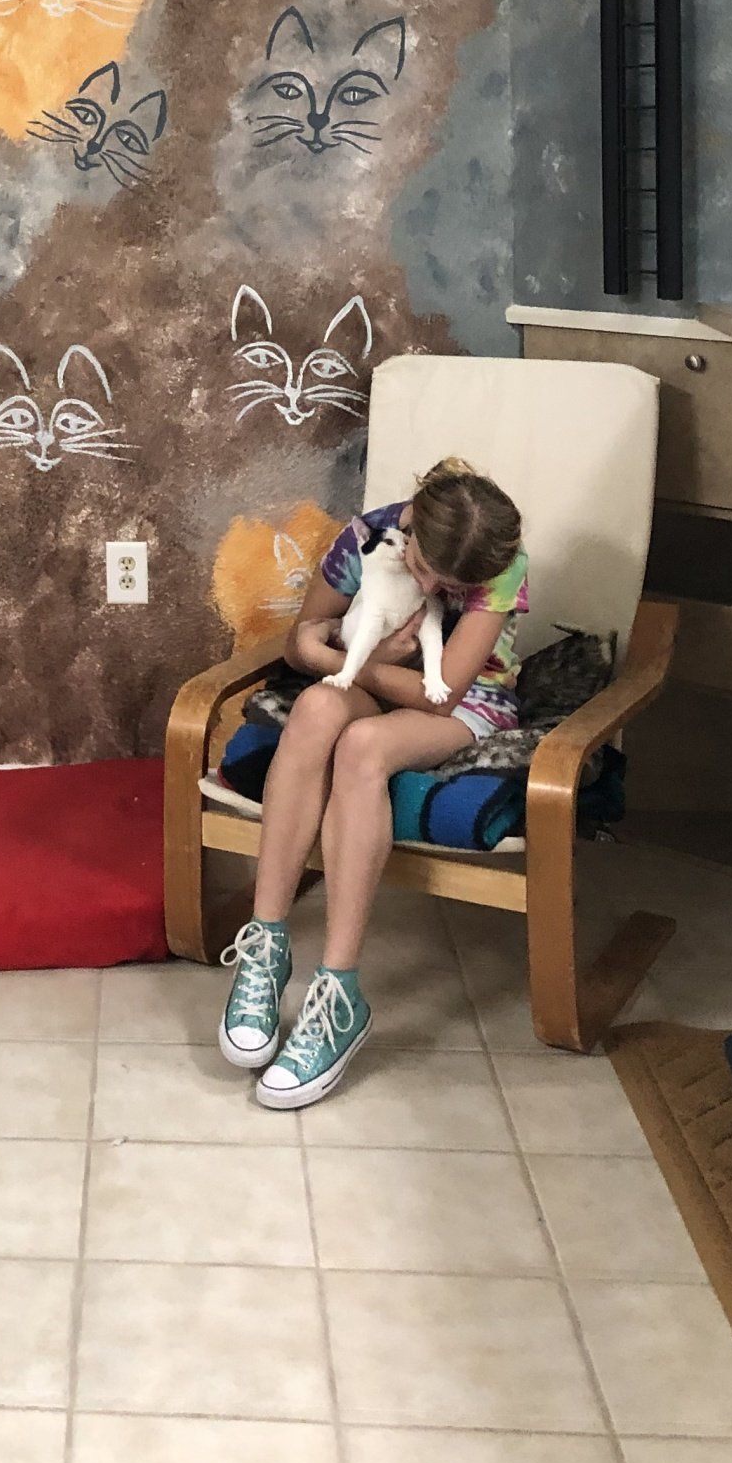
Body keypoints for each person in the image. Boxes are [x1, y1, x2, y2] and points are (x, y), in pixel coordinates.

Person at [218, 456, 527, 1109]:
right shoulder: (367, 537)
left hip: (464, 706)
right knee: (314, 708)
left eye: (449, 585)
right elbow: (301, 644)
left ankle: (339, 992)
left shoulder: (503, 567)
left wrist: (346, 661)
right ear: (410, 528)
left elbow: (443, 695)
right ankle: (266, 944)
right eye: (423, 568)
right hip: (374, 677)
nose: (430, 587)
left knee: (361, 746)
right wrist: (345, 658)